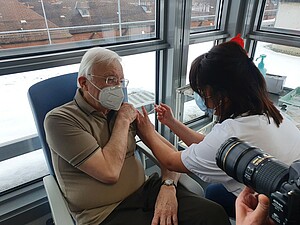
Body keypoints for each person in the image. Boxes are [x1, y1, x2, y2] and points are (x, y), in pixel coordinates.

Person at [44, 47, 231, 225]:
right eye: (110, 80)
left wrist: (167, 186)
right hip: (105, 214)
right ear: (84, 83)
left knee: (212, 214)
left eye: (120, 81)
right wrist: (123, 121)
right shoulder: (61, 120)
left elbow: (172, 155)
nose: (118, 88)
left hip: (147, 192)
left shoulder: (121, 111)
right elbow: (109, 173)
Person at [136, 37, 300, 218]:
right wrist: (172, 123)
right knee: (215, 191)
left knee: (214, 193)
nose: (202, 99)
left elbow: (170, 161)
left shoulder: (230, 132)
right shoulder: (269, 110)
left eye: (202, 92)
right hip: (288, 194)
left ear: (219, 93)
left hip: (273, 211)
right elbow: (214, 147)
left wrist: (147, 132)